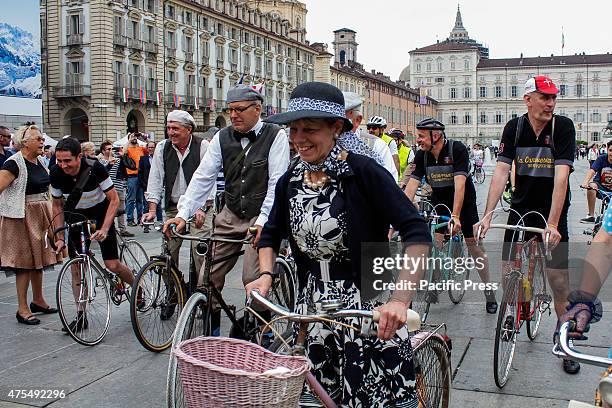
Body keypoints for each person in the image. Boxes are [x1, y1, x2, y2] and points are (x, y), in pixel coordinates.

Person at [245, 82, 431, 406]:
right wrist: (265, 275)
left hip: (369, 305)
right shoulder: (290, 178)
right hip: (312, 307)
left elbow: (416, 232)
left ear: (336, 127)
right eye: (294, 129)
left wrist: (400, 300)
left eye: (310, 129)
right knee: (314, 398)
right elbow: (271, 233)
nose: (299, 139)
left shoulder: (364, 172)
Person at [164, 85, 290, 332]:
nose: (233, 115)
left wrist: (263, 221)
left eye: (240, 110)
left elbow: (277, 184)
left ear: (257, 109)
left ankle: (261, 332)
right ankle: (214, 333)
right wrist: (182, 214)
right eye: (230, 110)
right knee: (206, 279)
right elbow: (203, 177)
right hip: (231, 214)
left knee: (252, 280)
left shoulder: (276, 136)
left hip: (260, 215)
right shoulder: (222, 137)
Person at [478, 75, 577, 373]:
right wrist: (487, 214)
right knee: (509, 270)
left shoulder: (563, 127)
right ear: (528, 99)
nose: (550, 103)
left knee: (559, 281)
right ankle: (513, 309)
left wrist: (554, 223)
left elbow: (562, 177)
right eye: (544, 97)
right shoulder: (515, 127)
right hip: (521, 208)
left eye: (553, 98)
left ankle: (566, 340)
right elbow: (500, 171)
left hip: (551, 211)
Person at [404, 118, 498, 313]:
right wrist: (399, 213)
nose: (418, 140)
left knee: (475, 249)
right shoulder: (423, 156)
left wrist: (456, 216)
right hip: (440, 202)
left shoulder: (457, 150)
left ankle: (489, 291)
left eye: (422, 136)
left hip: (463, 203)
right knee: (436, 245)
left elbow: (460, 185)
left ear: (435, 135)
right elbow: (411, 186)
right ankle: (434, 282)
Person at [50, 137, 136, 332]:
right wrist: (60, 238)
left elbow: (113, 199)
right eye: (59, 161)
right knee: (76, 266)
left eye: (67, 161)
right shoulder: (55, 173)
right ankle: (81, 315)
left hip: (100, 213)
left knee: (112, 264)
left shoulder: (95, 167)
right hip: (75, 217)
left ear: (79, 156)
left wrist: (105, 228)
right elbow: (56, 205)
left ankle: (136, 287)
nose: (63, 165)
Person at [143, 110, 214, 319]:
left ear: (188, 129)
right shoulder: (163, 148)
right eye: (168, 128)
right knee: (167, 255)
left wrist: (202, 207)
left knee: (201, 253)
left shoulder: (203, 146)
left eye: (175, 128)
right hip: (174, 209)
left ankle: (202, 298)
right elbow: (155, 178)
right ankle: (174, 293)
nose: (170, 132)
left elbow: (209, 179)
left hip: (202, 207)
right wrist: (152, 209)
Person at [0, 125, 63, 325]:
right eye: (38, 139)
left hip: (40, 214)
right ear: (24, 142)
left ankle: (38, 300)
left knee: (39, 261)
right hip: (20, 217)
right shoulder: (14, 164)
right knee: (24, 264)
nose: (42, 142)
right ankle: (22, 308)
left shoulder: (39, 161)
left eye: (42, 139)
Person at [342, 92, 397, 179]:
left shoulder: (378, 145)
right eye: (369, 127)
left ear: (357, 120)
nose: (371, 130)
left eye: (374, 128)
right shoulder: (323, 143)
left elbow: (390, 179)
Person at [580, 140, 612, 223]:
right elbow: (592, 170)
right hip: (601, 187)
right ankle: (591, 215)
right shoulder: (601, 158)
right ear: (607, 149)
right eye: (610, 150)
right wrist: (585, 182)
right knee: (591, 186)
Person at [138, 140, 162, 232]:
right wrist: (144, 186)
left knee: (158, 206)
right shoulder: (143, 159)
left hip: (158, 186)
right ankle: (146, 226)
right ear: (147, 149)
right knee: (146, 206)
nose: (151, 149)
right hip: (146, 185)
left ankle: (159, 224)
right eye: (149, 147)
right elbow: (140, 173)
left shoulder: (159, 158)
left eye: (152, 147)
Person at [124, 133, 148, 227]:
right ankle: (130, 219)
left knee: (140, 199)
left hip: (141, 176)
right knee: (131, 199)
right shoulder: (127, 149)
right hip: (132, 176)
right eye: (132, 137)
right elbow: (124, 152)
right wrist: (129, 140)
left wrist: (144, 138)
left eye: (135, 137)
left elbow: (150, 148)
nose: (134, 138)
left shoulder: (141, 149)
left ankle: (140, 218)